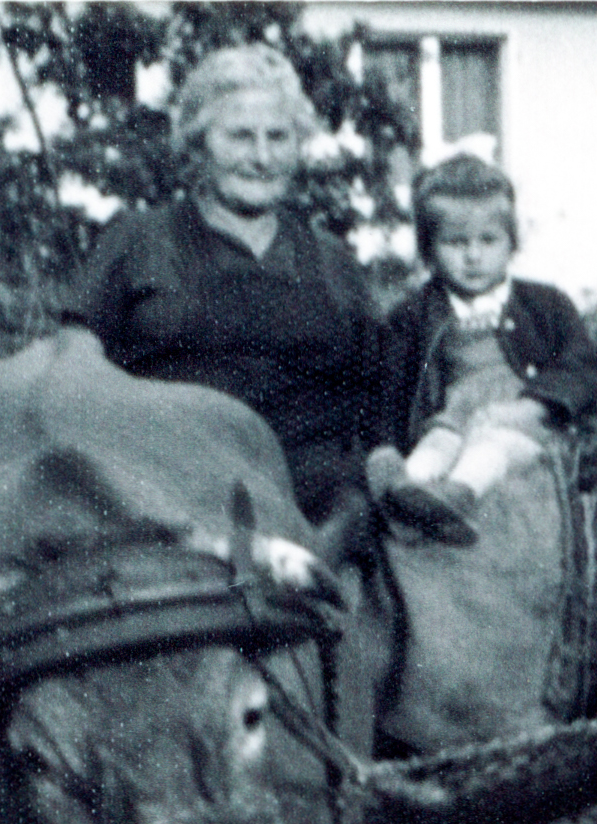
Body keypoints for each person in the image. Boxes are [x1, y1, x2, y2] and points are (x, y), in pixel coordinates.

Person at [57, 45, 379, 521]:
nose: (263, 157)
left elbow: (378, 393)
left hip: (315, 505)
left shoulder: (332, 259)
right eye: (241, 138)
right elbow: (73, 366)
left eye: (279, 137)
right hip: (166, 495)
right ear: (199, 143)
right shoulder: (138, 240)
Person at [365, 154, 597, 547]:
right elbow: (388, 389)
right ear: (428, 251)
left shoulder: (544, 305)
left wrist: (533, 406)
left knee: (490, 449)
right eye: (455, 242)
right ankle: (407, 494)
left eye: (488, 240)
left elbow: (585, 365)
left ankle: (454, 498)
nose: (474, 256)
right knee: (434, 446)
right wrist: (386, 449)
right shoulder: (412, 316)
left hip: (522, 427)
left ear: (512, 242)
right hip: (449, 420)